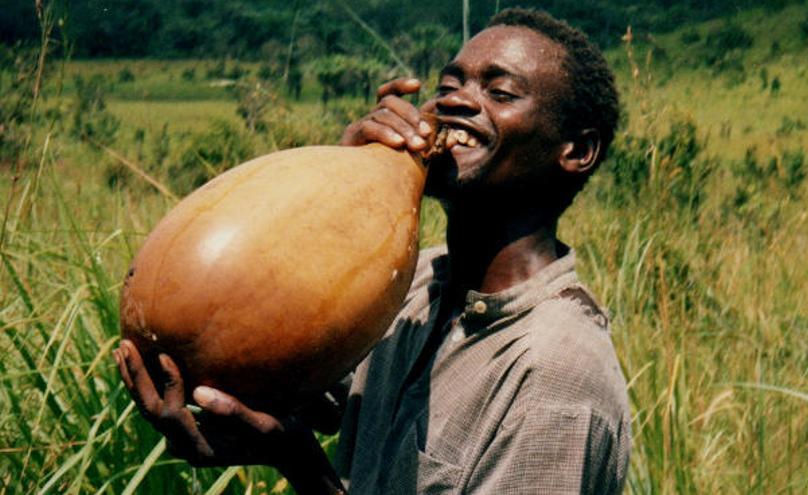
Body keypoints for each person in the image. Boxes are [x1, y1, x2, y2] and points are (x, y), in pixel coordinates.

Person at [114, 8, 630, 494]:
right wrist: (344, 185)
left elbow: (298, 442)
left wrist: (304, 469)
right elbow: (278, 376)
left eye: (500, 92)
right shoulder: (413, 284)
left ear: (576, 151)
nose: (454, 100)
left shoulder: (555, 374)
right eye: (449, 85)